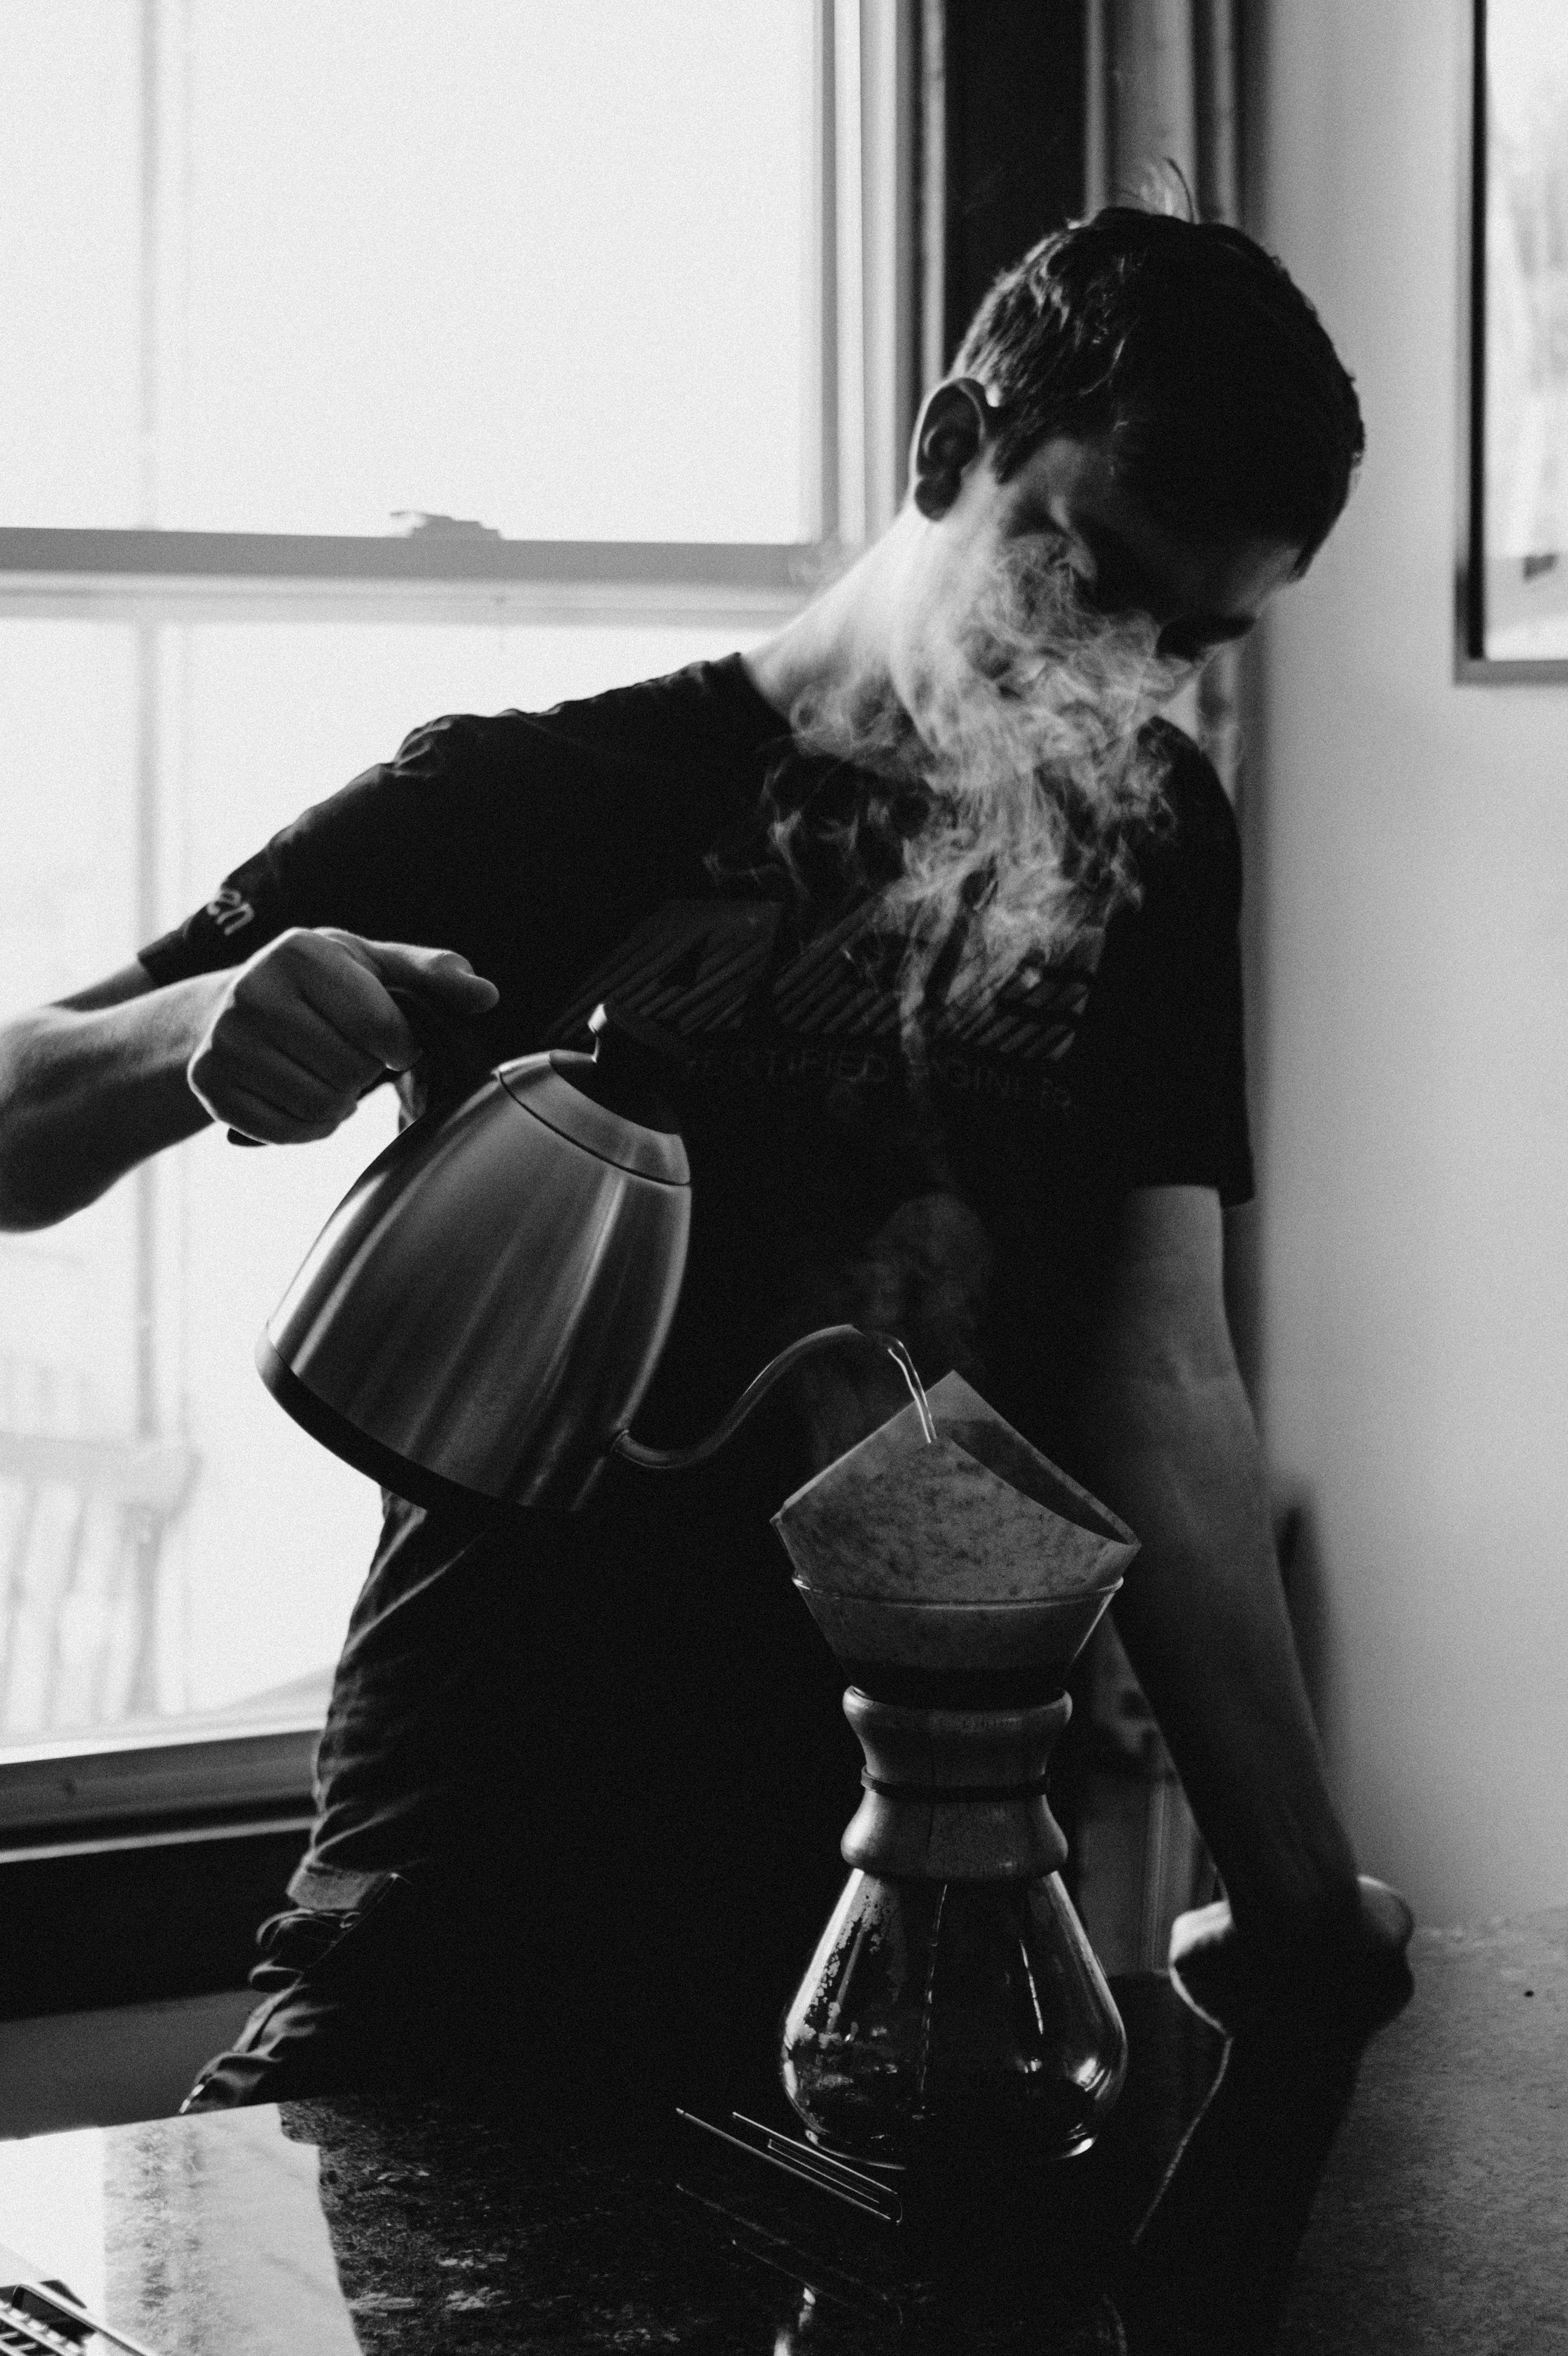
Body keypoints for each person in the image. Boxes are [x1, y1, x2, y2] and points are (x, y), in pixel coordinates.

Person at [0, 208, 1412, 2116]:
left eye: (1192, 639)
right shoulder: (525, 803)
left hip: (936, 1913)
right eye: (1088, 582)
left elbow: (1158, 1370)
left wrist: (1300, 1891)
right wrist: (192, 1027)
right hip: (475, 1883)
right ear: (948, 450)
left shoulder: (1150, 835)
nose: (1119, 673)